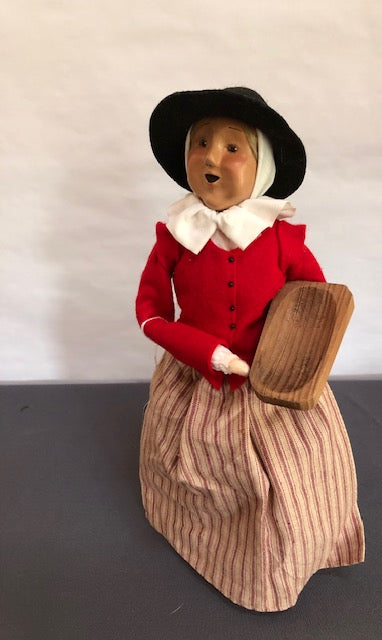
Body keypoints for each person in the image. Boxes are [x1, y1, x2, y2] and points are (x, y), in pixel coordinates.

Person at [136, 87, 365, 612]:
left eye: (232, 147)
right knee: (193, 472)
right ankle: (204, 540)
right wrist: (205, 353)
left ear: (261, 166)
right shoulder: (174, 236)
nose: (212, 158)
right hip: (199, 384)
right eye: (201, 143)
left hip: (272, 385)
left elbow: (317, 303)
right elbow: (149, 312)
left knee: (295, 479)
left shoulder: (281, 238)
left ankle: (285, 561)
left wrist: (298, 364)